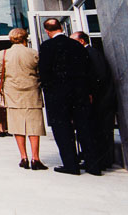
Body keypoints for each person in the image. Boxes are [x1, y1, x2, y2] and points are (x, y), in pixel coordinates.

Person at [39, 19, 99, 176]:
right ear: (61, 27)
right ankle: (93, 165)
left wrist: (48, 91)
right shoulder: (77, 45)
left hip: (58, 95)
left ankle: (71, 164)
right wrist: (89, 91)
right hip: (80, 93)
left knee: (63, 129)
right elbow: (88, 70)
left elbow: (44, 72)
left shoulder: (46, 47)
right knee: (85, 127)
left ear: (47, 31)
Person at [0, 28, 48, 170]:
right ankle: (35, 158)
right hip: (32, 92)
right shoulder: (33, 53)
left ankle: (23, 157)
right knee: (34, 126)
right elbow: (40, 72)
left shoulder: (2, 54)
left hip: (12, 94)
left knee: (17, 126)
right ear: (25, 38)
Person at [71, 31, 116, 171]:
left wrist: (91, 94)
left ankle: (104, 161)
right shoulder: (89, 53)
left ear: (82, 41)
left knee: (102, 131)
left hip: (102, 100)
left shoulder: (91, 54)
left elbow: (99, 76)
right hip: (100, 99)